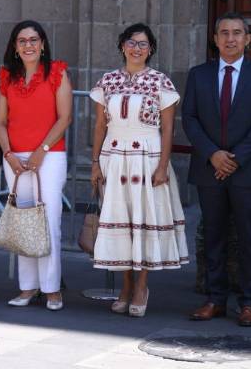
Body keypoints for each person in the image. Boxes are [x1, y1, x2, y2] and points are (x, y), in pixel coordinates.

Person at [182, 12, 251, 327]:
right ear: (215, 39)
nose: (230, 38)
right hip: (210, 168)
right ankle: (215, 299)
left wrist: (234, 158)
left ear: (247, 39)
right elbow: (190, 119)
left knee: (250, 238)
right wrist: (213, 155)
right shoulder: (199, 74)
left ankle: (249, 302)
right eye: (224, 32)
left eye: (237, 33)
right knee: (214, 236)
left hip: (247, 170)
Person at [89, 23, 189, 318]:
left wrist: (162, 166)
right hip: (114, 157)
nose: (137, 48)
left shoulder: (161, 82)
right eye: (132, 43)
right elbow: (99, 126)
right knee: (121, 221)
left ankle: (142, 286)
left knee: (143, 222)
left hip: (147, 157)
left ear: (150, 50)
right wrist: (95, 162)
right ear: (122, 46)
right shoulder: (107, 81)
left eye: (143, 44)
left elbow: (168, 128)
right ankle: (125, 285)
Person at [0, 20, 72, 311]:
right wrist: (8, 153)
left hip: (49, 157)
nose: (28, 45)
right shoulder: (7, 77)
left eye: (33, 40)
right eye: (22, 40)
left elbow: (64, 118)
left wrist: (42, 150)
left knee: (48, 220)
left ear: (42, 44)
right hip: (14, 159)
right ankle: (27, 287)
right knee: (22, 220)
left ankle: (52, 289)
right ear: (15, 47)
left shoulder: (56, 73)